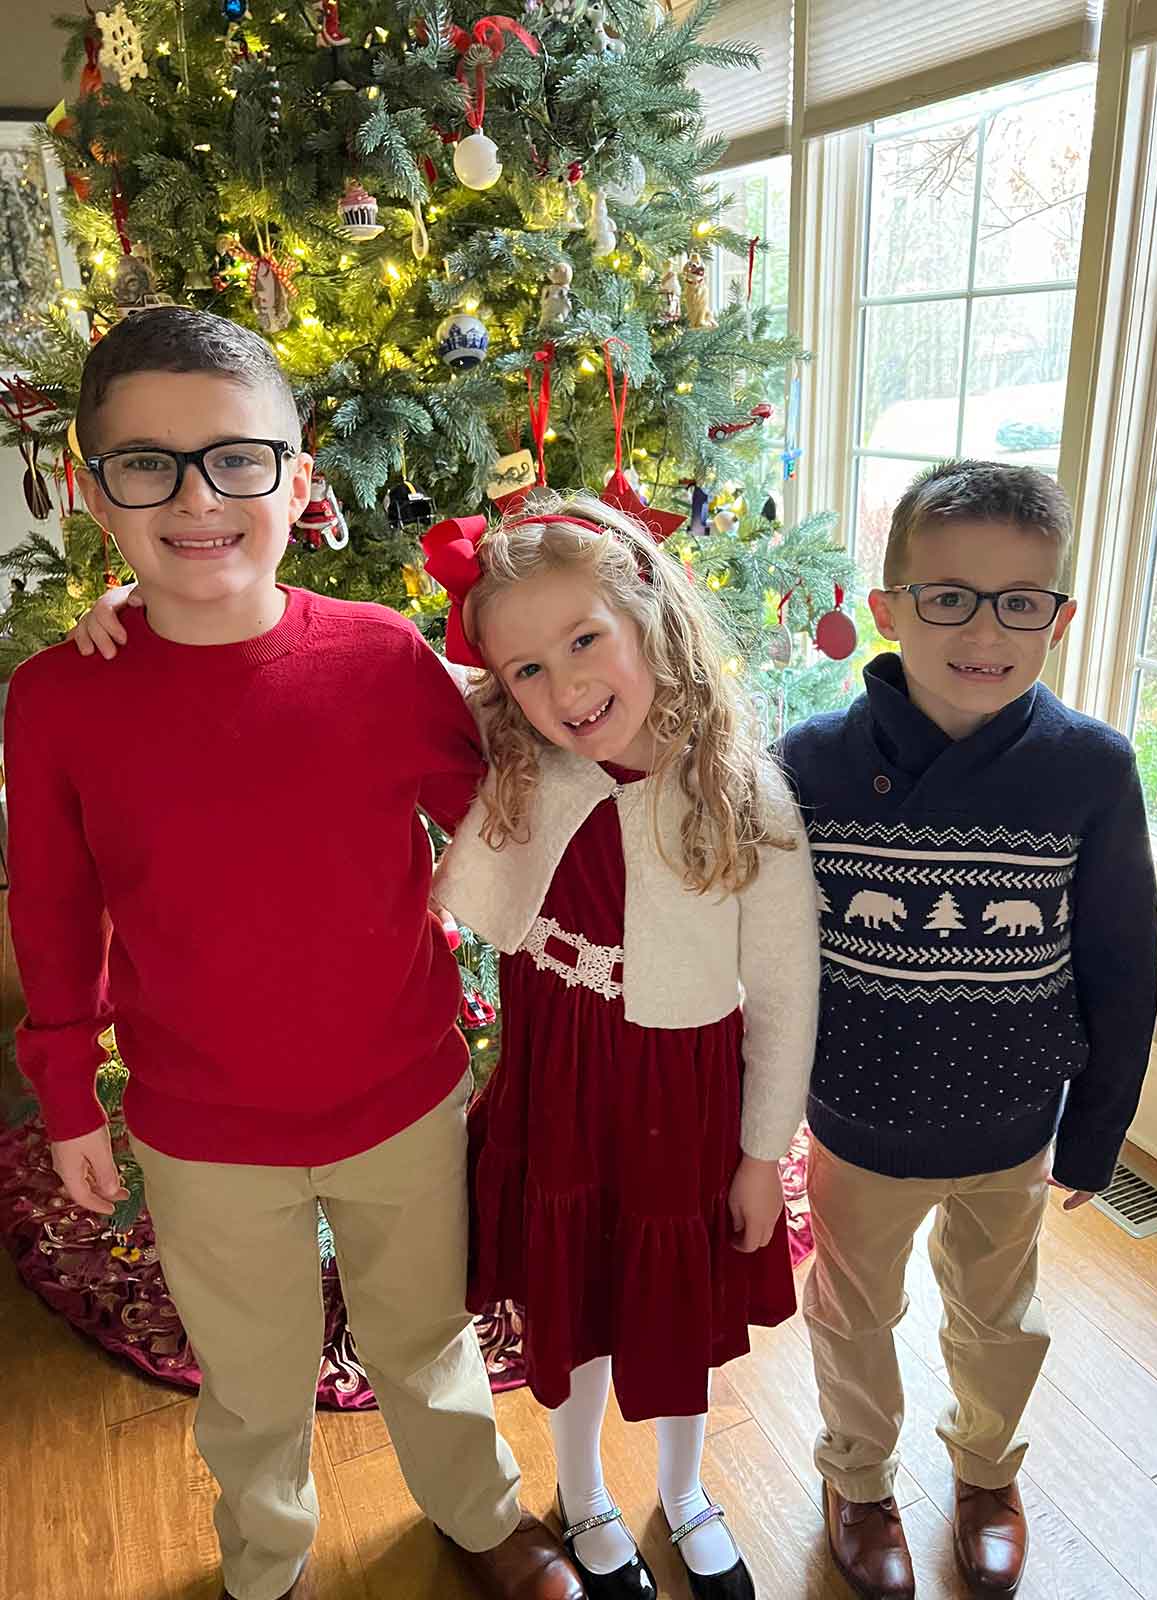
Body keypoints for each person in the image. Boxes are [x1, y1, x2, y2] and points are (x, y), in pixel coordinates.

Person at [7, 306, 584, 1600]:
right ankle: (264, 1561)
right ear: (94, 493)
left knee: (424, 1337)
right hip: (203, 1132)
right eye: (147, 465)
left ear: (300, 480)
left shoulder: (378, 660)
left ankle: (478, 1516)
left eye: (236, 459)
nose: (197, 496)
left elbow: (515, 798)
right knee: (253, 1374)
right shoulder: (57, 705)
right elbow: (51, 913)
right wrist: (62, 1097)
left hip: (402, 1098)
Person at [420, 493, 822, 1600]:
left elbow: (788, 992)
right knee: (575, 1297)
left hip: (680, 1097)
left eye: (585, 641)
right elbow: (373, 665)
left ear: (648, 606)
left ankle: (689, 1492)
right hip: (561, 1079)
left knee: (670, 1305)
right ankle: (584, 1490)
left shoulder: (744, 794)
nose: (564, 688)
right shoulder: (522, 756)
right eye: (527, 671)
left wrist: (757, 1154)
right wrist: (167, 601)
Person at [775, 461, 1157, 1600]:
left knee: (999, 1315)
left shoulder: (1090, 768)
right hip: (856, 1124)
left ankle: (988, 1471)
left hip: (1010, 1124)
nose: (983, 629)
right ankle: (859, 1476)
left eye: (1018, 601)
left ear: (1059, 616)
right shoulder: (809, 765)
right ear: (890, 608)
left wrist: (1094, 1138)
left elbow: (1120, 966)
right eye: (948, 596)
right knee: (855, 1312)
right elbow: (774, 960)